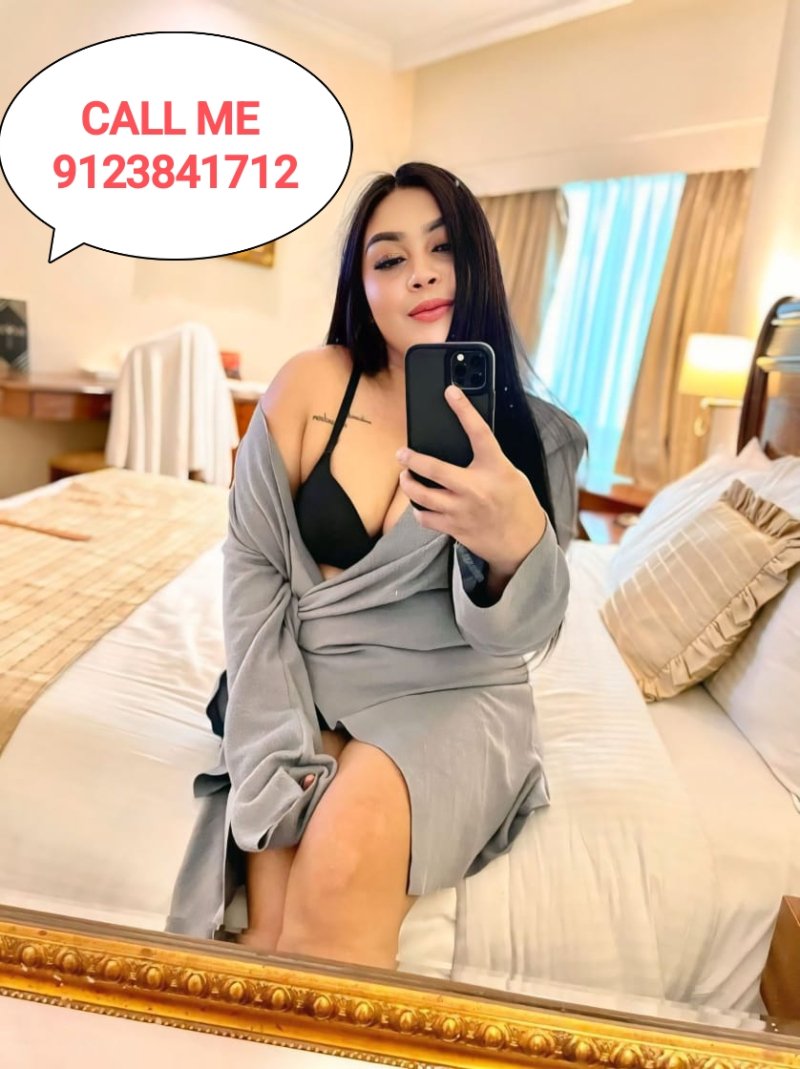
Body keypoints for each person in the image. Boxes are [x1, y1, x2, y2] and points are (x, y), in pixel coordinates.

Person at [168, 162, 587, 970]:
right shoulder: (309, 385)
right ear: (362, 287)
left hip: (451, 692)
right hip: (307, 677)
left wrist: (513, 548)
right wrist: (273, 756)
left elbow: (520, 638)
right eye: (390, 258)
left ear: (478, 262)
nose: (420, 272)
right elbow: (254, 577)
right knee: (264, 933)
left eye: (443, 248)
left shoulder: (539, 437)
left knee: (330, 884)